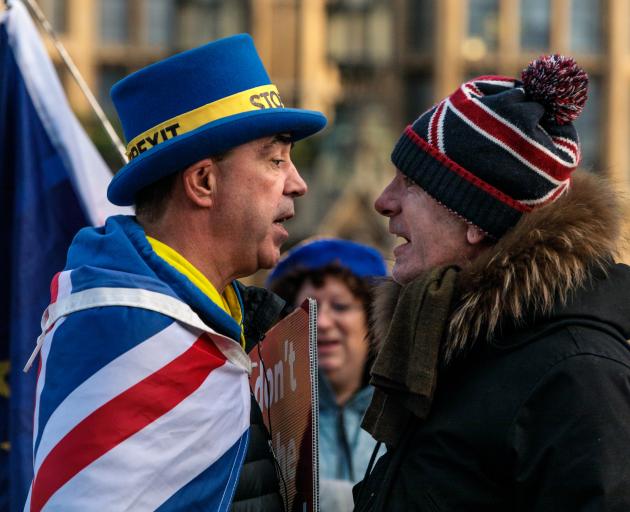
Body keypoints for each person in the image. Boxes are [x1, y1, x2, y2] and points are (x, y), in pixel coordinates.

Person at [24, 34, 326, 511]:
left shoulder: (222, 317)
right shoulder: (127, 331)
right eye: (275, 159)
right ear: (203, 181)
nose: (298, 182)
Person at [353, 55, 630, 511]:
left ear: (476, 220)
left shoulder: (579, 376)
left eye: (411, 184)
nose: (385, 202)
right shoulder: (449, 343)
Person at [268, 238, 387, 511]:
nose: (321, 322)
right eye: (309, 309)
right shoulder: (270, 418)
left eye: (341, 306)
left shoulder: (404, 416)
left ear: (373, 318)